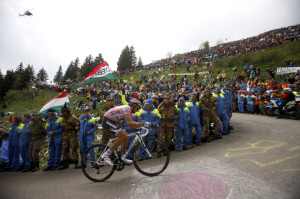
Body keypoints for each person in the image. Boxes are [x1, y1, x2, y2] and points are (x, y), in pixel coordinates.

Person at [101, 98, 148, 166]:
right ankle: (106, 155)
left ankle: (123, 157)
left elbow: (131, 126)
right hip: (107, 120)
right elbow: (129, 123)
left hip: (113, 121)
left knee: (127, 137)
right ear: (134, 105)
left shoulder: (128, 111)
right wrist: (143, 124)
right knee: (123, 136)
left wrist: (141, 126)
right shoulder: (127, 108)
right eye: (137, 108)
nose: (137, 111)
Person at [59, 104, 80, 170]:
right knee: (65, 149)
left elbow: (78, 126)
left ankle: (76, 162)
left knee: (74, 147)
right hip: (65, 134)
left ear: (67, 112)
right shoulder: (63, 119)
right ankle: (66, 163)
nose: (62, 113)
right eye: (62, 112)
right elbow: (62, 127)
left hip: (72, 134)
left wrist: (77, 128)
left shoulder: (73, 118)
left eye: (63, 112)